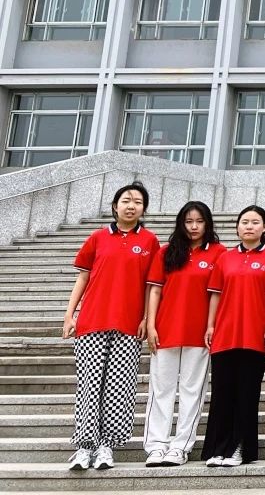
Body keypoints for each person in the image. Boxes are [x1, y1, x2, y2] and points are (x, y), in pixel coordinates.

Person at [62, 181, 158, 471]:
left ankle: (106, 446)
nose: (131, 206)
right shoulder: (97, 237)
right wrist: (70, 314)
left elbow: (151, 285)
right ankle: (84, 447)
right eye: (126, 200)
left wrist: (146, 318)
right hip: (92, 321)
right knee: (89, 385)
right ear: (115, 206)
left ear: (143, 209)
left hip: (128, 325)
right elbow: (83, 277)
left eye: (138, 202)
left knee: (119, 387)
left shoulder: (150, 242)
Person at [143, 200, 224, 468]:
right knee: (161, 390)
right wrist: (151, 325)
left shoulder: (219, 253)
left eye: (199, 221)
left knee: (192, 391)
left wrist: (212, 327)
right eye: (189, 221)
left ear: (208, 224)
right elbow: (155, 290)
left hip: (199, 334)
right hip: (165, 330)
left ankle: (180, 447)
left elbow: (218, 294)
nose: (194, 227)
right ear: (181, 224)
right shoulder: (166, 252)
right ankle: (156, 446)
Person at [201, 205, 265, 467]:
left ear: (264, 227)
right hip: (225, 333)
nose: (249, 226)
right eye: (245, 222)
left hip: (255, 334)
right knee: (222, 393)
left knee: (247, 394)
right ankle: (219, 448)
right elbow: (215, 294)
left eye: (255, 222)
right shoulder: (225, 258)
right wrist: (211, 325)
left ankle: (239, 449)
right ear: (237, 227)